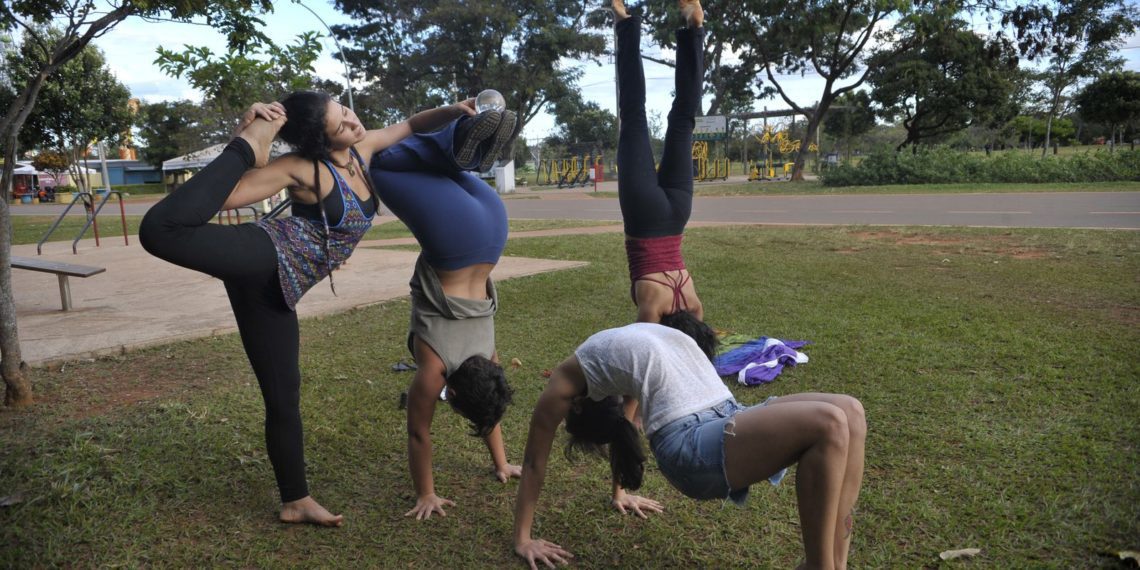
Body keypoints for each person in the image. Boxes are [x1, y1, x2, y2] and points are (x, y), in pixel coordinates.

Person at [139, 91, 495, 526]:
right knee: (160, 229)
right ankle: (249, 143)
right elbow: (224, 197)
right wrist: (245, 143)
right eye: (340, 125)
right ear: (319, 141)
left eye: (346, 112)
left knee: (283, 394)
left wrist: (454, 110)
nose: (353, 123)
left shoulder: (362, 150)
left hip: (277, 292)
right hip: (264, 254)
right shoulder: (300, 167)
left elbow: (410, 124)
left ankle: (295, 500)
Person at [512, 323, 867, 570]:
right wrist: (523, 539)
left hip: (728, 412)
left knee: (850, 411)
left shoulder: (602, 367)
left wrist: (619, 492)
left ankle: (836, 563)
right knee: (829, 423)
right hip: (688, 442)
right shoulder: (566, 385)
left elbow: (624, 426)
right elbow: (532, 464)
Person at [366, 105, 522, 521]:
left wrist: (503, 464)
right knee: (377, 162)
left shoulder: (489, 359)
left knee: (437, 167)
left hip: (493, 227)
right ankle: (459, 140)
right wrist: (426, 494)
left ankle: (467, 144)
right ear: (450, 393)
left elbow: (489, 406)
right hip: (455, 237)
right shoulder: (435, 369)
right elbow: (419, 432)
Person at [613, 0, 715, 361]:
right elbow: (644, 351)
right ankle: (625, 24)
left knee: (684, 118)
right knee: (633, 115)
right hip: (644, 217)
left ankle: (694, 30)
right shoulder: (652, 310)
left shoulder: (695, 304)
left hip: (677, 213)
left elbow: (699, 347)